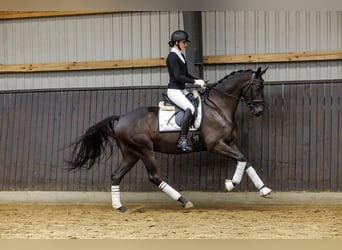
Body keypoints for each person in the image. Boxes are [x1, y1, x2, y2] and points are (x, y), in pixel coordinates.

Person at [166, 30, 206, 152]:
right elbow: (178, 76)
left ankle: (196, 135)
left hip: (181, 90)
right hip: (174, 91)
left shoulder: (180, 55)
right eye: (184, 42)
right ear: (176, 42)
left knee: (197, 102)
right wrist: (194, 82)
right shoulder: (172, 57)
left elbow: (186, 74)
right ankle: (182, 140)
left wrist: (197, 80)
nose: (186, 44)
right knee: (190, 108)